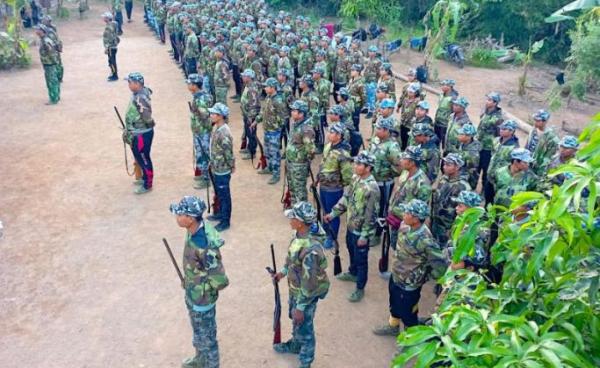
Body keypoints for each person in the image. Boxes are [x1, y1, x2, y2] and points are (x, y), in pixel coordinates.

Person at [169, 195, 229, 368]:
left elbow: (220, 280)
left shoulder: (205, 246)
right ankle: (200, 360)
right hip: (193, 294)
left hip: (202, 300)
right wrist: (191, 280)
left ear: (189, 219)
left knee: (208, 340)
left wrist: (201, 287)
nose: (177, 217)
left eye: (179, 214)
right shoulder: (193, 230)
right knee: (198, 333)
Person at [372, 199, 446, 335]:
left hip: (410, 284)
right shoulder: (404, 226)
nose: (404, 214)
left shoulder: (425, 239)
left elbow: (439, 264)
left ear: (416, 219)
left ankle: (409, 339)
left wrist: (425, 276)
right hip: (396, 276)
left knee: (408, 314)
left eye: (407, 213)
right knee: (394, 304)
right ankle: (393, 327)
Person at [272, 201, 330, 368]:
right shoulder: (298, 236)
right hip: (295, 288)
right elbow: (292, 260)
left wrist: (301, 306)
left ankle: (306, 361)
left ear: (300, 223)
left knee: (305, 326)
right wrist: (282, 273)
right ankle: (295, 345)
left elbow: (310, 282)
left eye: (293, 217)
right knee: (296, 320)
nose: (290, 220)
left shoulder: (310, 250)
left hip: (306, 294)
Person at [324, 151, 380, 303]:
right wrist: (333, 213)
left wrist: (365, 235)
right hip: (350, 226)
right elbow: (346, 198)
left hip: (361, 231)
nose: (355, 166)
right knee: (351, 251)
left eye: (359, 164)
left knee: (362, 260)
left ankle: (360, 287)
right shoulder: (355, 179)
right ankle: (352, 272)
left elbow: (372, 215)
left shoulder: (372, 188)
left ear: (368, 168)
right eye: (356, 163)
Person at [386, 146, 433, 252]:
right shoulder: (405, 173)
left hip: (407, 225)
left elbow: (420, 213)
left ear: (412, 162)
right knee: (394, 246)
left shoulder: (423, 184)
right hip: (396, 219)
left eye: (404, 159)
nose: (401, 160)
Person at [318, 122, 354, 248]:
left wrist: (337, 184)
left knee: (333, 213)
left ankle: (331, 237)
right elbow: (323, 163)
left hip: (333, 189)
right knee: (324, 211)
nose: (329, 134)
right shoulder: (328, 146)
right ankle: (324, 231)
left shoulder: (343, 154)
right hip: (323, 186)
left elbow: (348, 176)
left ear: (339, 136)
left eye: (332, 132)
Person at [368, 116, 402, 245]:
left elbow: (399, 167)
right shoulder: (375, 140)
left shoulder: (392, 146)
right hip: (372, 180)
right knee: (371, 206)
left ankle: (377, 234)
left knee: (381, 208)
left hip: (384, 183)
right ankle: (371, 228)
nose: (376, 130)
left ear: (386, 130)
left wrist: (387, 173)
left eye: (379, 128)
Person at [123, 72, 155, 194]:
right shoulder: (137, 94)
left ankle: (147, 184)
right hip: (138, 132)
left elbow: (147, 117)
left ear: (137, 84)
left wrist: (140, 126)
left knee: (144, 158)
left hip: (141, 134)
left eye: (130, 82)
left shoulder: (140, 98)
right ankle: (144, 178)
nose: (128, 85)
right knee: (140, 158)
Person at [431, 154, 471, 244]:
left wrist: (454, 228)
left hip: (448, 227)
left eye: (448, 165)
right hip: (436, 222)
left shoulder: (463, 186)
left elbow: (463, 211)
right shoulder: (444, 179)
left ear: (457, 167)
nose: (444, 167)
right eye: (444, 164)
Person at [446, 191, 489, 273]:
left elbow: (479, 258)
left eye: (460, 206)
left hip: (465, 272)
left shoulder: (479, 229)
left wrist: (463, 264)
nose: (456, 208)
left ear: (471, 209)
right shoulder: (461, 221)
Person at [208, 103, 235, 231]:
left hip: (222, 169)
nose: (211, 115)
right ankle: (220, 214)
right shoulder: (217, 128)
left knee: (224, 196)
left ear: (220, 116)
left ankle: (225, 221)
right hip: (216, 167)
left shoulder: (224, 132)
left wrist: (231, 166)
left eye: (213, 113)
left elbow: (228, 153)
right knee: (219, 193)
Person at [254, 78, 287, 184]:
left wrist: (276, 127)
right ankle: (269, 167)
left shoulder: (278, 101)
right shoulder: (268, 97)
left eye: (267, 86)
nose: (265, 88)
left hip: (274, 132)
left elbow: (282, 118)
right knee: (267, 151)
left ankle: (276, 174)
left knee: (274, 153)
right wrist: (256, 121)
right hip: (267, 130)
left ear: (272, 88)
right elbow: (263, 111)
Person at [285, 100, 317, 205]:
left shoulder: (306, 129)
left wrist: (304, 161)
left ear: (301, 113)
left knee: (300, 191)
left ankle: (302, 213)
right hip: (291, 162)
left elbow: (311, 150)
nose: (292, 112)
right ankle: (295, 209)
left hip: (299, 165)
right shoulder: (295, 124)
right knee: (292, 189)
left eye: (294, 110)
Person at [187, 73, 214, 190]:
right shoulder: (201, 96)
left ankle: (207, 178)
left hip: (202, 131)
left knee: (203, 154)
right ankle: (204, 174)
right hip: (200, 130)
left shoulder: (200, 99)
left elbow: (205, 116)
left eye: (190, 84)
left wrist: (204, 131)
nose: (188, 86)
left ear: (195, 86)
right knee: (202, 153)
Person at [485, 120, 519, 205]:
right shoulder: (496, 140)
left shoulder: (514, 148)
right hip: (490, 175)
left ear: (512, 131)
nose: (501, 130)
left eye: (505, 129)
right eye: (501, 128)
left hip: (501, 179)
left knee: (496, 201)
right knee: (487, 198)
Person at [477, 92, 504, 188]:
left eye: (489, 100)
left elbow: (499, 134)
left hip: (488, 148)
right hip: (479, 144)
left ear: (495, 103)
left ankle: (483, 190)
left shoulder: (498, 118)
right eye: (487, 99)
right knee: (476, 167)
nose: (486, 101)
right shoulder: (485, 112)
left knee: (485, 169)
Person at [525, 109, 560, 176]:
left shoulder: (551, 138)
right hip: (526, 163)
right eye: (535, 120)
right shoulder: (533, 130)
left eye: (538, 121)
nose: (535, 122)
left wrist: (540, 171)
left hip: (538, 168)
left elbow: (548, 158)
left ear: (545, 121)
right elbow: (527, 145)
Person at [34, 25, 61, 105]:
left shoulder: (45, 41)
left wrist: (53, 63)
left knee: (51, 82)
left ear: (42, 31)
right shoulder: (44, 40)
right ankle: (55, 97)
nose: (36, 31)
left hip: (49, 64)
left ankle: (54, 99)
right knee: (53, 81)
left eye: (37, 29)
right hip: (49, 64)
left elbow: (52, 53)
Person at [239, 69, 262, 162]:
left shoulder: (252, 89)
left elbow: (253, 105)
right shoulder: (247, 86)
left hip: (250, 116)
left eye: (244, 76)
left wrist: (250, 117)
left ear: (249, 78)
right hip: (246, 114)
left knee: (251, 134)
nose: (243, 77)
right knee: (248, 133)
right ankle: (249, 148)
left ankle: (252, 151)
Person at [456, 123, 482, 189]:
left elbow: (470, 171)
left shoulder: (472, 154)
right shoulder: (463, 143)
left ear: (469, 136)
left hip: (466, 180)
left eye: (461, 134)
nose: (458, 136)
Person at [434, 79, 458, 148]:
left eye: (444, 85)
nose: (442, 86)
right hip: (438, 121)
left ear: (450, 86)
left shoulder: (453, 98)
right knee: (436, 141)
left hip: (445, 124)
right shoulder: (441, 95)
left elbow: (454, 111)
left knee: (445, 143)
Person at [41, 15, 64, 83]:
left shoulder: (50, 30)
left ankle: (59, 77)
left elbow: (54, 39)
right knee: (57, 63)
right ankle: (59, 77)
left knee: (56, 63)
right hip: (54, 47)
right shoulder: (50, 28)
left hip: (53, 49)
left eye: (44, 21)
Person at [363, 45, 382, 119]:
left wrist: (376, 80)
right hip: (366, 80)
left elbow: (379, 72)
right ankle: (367, 108)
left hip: (373, 81)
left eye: (373, 51)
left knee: (372, 96)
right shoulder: (368, 60)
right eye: (370, 51)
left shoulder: (378, 61)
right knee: (367, 94)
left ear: (376, 53)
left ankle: (372, 110)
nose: (371, 53)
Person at [102, 12, 120, 81]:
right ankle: (113, 74)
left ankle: (115, 75)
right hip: (114, 46)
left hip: (111, 47)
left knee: (111, 61)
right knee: (112, 61)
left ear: (107, 18)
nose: (103, 18)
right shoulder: (114, 24)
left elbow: (109, 38)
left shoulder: (109, 27)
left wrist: (107, 47)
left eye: (104, 17)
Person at [348, 64, 366, 131]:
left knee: (355, 124)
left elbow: (363, 96)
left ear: (358, 72)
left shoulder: (360, 82)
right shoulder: (351, 80)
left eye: (353, 70)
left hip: (356, 106)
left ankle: (356, 139)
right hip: (350, 105)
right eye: (351, 70)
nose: (351, 72)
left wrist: (361, 106)